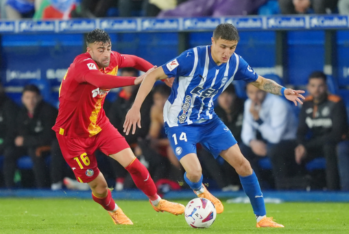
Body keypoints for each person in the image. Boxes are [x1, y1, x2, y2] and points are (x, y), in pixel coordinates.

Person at [124, 23, 305, 228]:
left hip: (209, 120)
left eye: (232, 47)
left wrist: (283, 91)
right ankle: (200, 189)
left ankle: (261, 218)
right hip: (180, 123)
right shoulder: (192, 57)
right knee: (194, 173)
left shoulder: (236, 62)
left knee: (243, 165)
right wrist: (136, 107)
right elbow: (154, 74)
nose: (227, 52)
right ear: (213, 41)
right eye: (223, 46)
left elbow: (260, 81)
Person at [52, 29, 184, 225]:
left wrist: (160, 75)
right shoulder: (82, 65)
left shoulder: (112, 59)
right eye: (100, 50)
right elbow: (101, 80)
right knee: (100, 187)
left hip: (99, 125)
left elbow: (137, 61)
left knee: (133, 164)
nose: (106, 54)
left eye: (108, 48)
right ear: (89, 51)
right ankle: (113, 209)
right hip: (72, 137)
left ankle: (157, 201)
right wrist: (136, 80)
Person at [240, 82, 299, 190]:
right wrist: (252, 143)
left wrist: (258, 120)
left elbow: (276, 138)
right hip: (267, 141)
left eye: (258, 92)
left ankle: (282, 190)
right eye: (251, 93)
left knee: (274, 149)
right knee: (243, 149)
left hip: (288, 142)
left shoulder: (279, 104)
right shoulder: (249, 103)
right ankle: (258, 189)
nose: (255, 96)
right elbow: (246, 132)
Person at [295, 71, 347, 190]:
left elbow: (337, 134)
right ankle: (294, 191)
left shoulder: (336, 102)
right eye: (313, 86)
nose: (316, 90)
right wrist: (300, 145)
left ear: (326, 87)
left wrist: (306, 146)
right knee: (289, 150)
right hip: (314, 145)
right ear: (308, 87)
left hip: (333, 144)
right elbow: (301, 130)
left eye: (320, 86)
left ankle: (332, 192)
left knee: (329, 148)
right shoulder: (306, 103)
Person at [3, 84, 58, 188]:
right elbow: (20, 135)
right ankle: (9, 190)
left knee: (34, 151)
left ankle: (42, 189)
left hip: (47, 146)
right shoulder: (22, 113)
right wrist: (25, 141)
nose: (31, 101)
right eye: (27, 98)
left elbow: (49, 136)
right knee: (10, 152)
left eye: (34, 97)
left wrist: (26, 141)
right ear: (23, 99)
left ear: (39, 98)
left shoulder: (49, 111)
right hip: (29, 145)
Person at [199, 84, 243, 191]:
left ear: (235, 95)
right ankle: (224, 186)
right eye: (221, 96)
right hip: (221, 144)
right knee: (205, 152)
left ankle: (236, 185)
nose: (225, 99)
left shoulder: (244, 107)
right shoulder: (215, 111)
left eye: (228, 95)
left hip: (241, 142)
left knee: (234, 150)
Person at [0, 82, 19, 187]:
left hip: (9, 143)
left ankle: (9, 188)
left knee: (9, 153)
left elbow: (13, 131)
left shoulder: (9, 106)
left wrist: (2, 145)